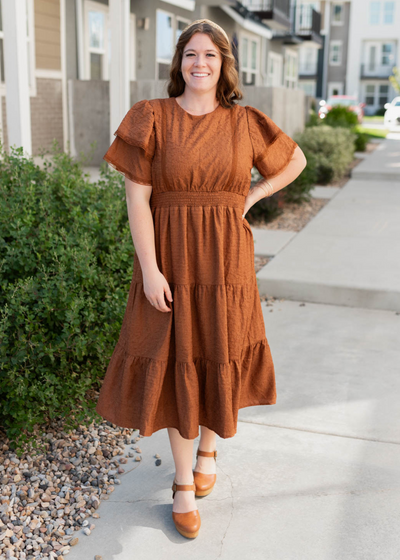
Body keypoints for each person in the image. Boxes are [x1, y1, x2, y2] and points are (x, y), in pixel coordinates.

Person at [96, 18, 307, 539]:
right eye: (191, 54)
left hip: (227, 258)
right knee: (177, 360)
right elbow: (137, 201)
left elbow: (294, 159)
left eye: (211, 55)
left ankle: (209, 449)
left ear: (224, 65)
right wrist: (149, 270)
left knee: (220, 349)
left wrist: (252, 197)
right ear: (179, 62)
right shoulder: (152, 118)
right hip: (170, 257)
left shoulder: (244, 122)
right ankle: (184, 482)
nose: (200, 63)